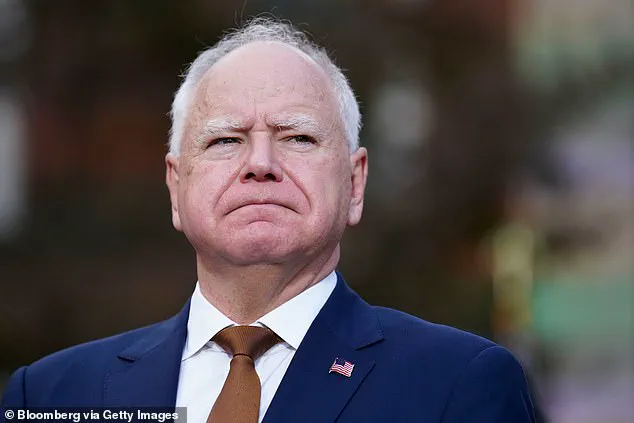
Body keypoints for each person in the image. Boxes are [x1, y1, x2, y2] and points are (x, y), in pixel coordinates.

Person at [1, 18, 535, 423]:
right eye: (225, 140)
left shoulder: (456, 385)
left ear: (355, 183)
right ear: (175, 187)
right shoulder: (52, 395)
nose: (260, 163)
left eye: (297, 137)